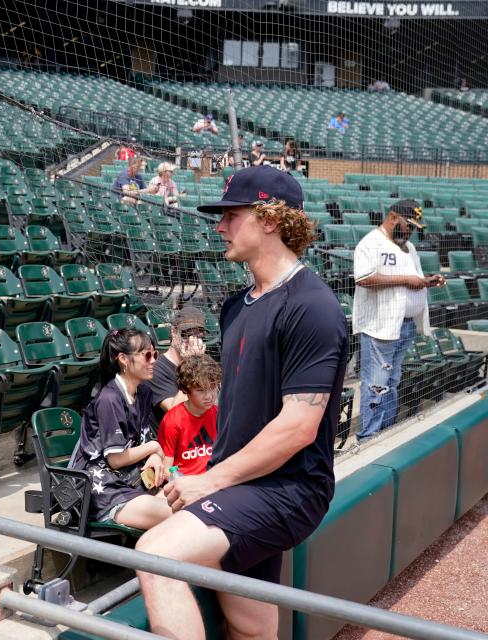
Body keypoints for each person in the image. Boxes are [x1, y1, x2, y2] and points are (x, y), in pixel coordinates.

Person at [136, 166, 348, 639]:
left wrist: (209, 481)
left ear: (269, 219)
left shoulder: (313, 306)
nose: (220, 226)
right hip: (242, 485)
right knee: (251, 628)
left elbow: (298, 428)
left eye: (231, 215)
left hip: (287, 490)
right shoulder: (236, 304)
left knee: (153, 555)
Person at [352, 199, 445, 442]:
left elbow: (413, 279)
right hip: (379, 327)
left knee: (392, 382)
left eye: (414, 227)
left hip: (403, 325)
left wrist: (427, 281)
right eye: (408, 225)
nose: (411, 232)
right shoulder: (371, 243)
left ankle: (386, 433)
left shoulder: (408, 248)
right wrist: (405, 280)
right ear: (393, 218)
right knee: (376, 384)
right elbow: (363, 278)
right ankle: (369, 438)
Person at [68, 329, 174, 531]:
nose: (153, 360)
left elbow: (142, 440)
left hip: (132, 480)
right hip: (103, 489)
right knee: (180, 514)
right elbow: (116, 459)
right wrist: (153, 447)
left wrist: (154, 456)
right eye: (146, 355)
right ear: (123, 359)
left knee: (191, 501)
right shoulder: (110, 399)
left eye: (155, 354)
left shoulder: (143, 391)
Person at [157, 354, 220, 477]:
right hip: (186, 482)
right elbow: (166, 469)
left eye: (212, 387)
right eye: (201, 390)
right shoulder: (172, 420)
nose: (209, 396)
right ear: (186, 390)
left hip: (215, 479)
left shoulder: (220, 414)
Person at [148, 306, 207, 424]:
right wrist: (191, 365)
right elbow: (175, 411)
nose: (193, 340)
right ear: (174, 332)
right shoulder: (156, 368)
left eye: (199, 334)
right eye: (187, 333)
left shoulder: (203, 363)